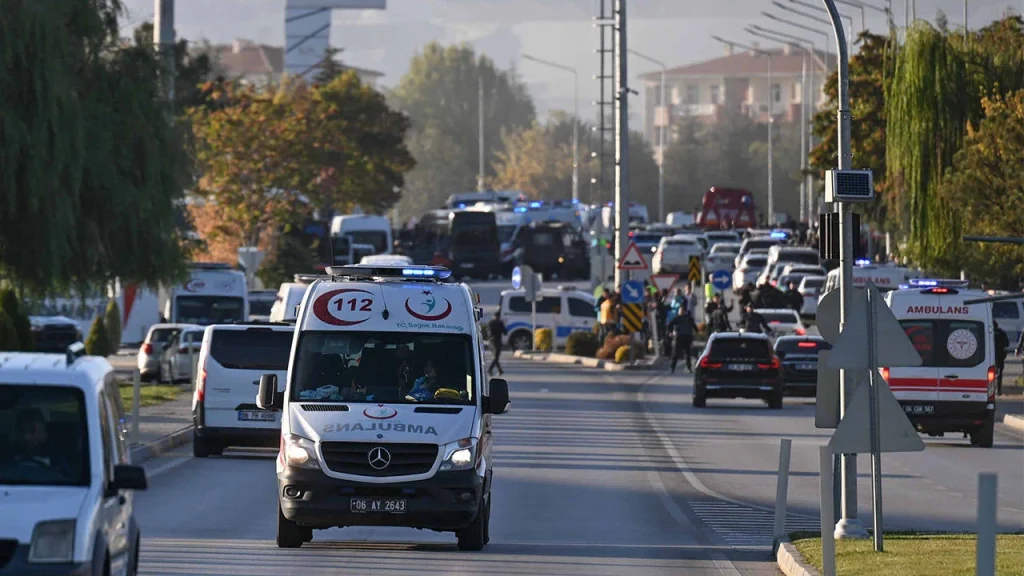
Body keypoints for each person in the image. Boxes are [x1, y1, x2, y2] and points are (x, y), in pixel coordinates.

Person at [667, 309, 698, 373]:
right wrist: (695, 333)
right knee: (687, 353)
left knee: (676, 353)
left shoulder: (677, 318)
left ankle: (672, 368)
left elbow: (669, 325)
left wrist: (670, 332)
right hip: (687, 337)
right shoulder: (688, 318)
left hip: (679, 337)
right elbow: (695, 326)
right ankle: (689, 368)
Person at [487, 311, 507, 376]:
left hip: (491, 342)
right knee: (496, 357)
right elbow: (505, 332)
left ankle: (500, 370)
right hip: (497, 342)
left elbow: (489, 332)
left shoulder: (491, 322)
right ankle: (490, 369)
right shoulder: (500, 323)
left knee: (495, 357)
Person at [994, 321, 1009, 396]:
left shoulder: (988, 332)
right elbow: (1007, 344)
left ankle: (990, 389)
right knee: (999, 374)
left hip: (990, 356)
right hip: (1000, 356)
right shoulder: (1002, 333)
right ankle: (998, 390)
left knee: (989, 373)